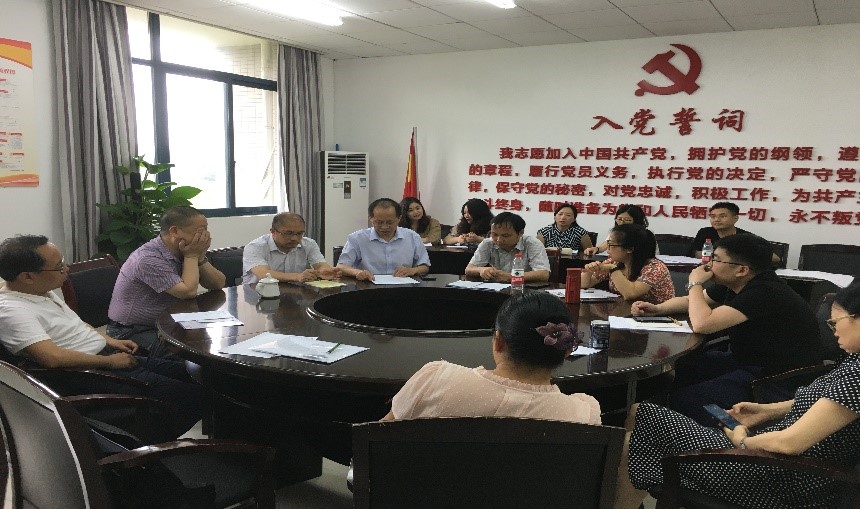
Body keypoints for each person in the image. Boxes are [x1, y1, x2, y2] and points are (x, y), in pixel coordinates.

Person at [616, 282, 860, 509]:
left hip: (776, 478)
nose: (833, 330)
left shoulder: (855, 378)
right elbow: (823, 402)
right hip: (772, 458)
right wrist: (766, 411)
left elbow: (788, 443)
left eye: (835, 322)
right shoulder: (853, 362)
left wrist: (742, 441)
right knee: (639, 413)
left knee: (632, 440)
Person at [0, 235, 204, 436]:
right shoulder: (13, 311)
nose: (66, 269)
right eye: (59, 267)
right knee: (194, 396)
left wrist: (109, 340)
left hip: (106, 355)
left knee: (200, 375)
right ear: (27, 277)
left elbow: (73, 324)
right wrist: (110, 362)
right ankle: (144, 447)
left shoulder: (37, 290)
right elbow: (52, 357)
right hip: (90, 372)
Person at [632, 233, 821, 425]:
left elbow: (702, 323)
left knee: (686, 399)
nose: (708, 264)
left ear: (742, 270)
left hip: (777, 377)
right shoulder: (737, 283)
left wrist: (695, 282)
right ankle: (662, 414)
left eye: (716, 259)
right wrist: (658, 308)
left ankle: (696, 428)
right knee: (684, 365)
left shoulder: (765, 292)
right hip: (748, 359)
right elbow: (692, 301)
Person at [382, 291, 601, 423]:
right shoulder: (582, 414)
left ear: (498, 341)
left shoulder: (436, 380)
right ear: (567, 349)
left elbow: (377, 438)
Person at [108, 206, 226, 352]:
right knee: (190, 353)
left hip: (170, 322)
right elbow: (187, 292)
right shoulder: (148, 258)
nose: (205, 236)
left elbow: (218, 284)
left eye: (206, 230)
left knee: (213, 342)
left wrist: (200, 258)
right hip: (131, 331)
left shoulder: (185, 250)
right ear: (174, 231)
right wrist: (192, 256)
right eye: (200, 231)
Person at [337, 198, 431, 281]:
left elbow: (425, 266)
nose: (384, 227)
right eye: (379, 222)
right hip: (368, 287)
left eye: (390, 222)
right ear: (371, 218)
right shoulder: (357, 238)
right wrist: (357, 272)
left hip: (403, 288)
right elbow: (341, 266)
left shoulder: (412, 237)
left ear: (399, 218)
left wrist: (412, 270)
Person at [581, 224, 674, 304]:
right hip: (624, 311)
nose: (607, 249)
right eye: (608, 243)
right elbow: (583, 284)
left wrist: (613, 269)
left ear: (629, 249)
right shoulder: (614, 261)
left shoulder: (655, 268)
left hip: (656, 316)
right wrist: (589, 270)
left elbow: (630, 294)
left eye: (611, 245)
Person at [242, 212, 341, 285]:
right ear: (273, 231)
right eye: (288, 233)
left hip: (296, 295)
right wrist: (298, 276)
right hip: (259, 295)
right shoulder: (255, 247)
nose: (295, 238)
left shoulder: (309, 244)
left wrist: (324, 272)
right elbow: (263, 274)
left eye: (299, 233)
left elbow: (320, 265)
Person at [465, 212, 551, 283]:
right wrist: (481, 270)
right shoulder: (488, 243)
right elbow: (469, 269)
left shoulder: (532, 244)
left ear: (520, 233)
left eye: (505, 235)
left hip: (526, 290)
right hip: (497, 289)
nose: (499, 240)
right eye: (494, 234)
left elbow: (543, 274)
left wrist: (511, 277)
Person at [688, 201, 780, 266]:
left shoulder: (746, 237)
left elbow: (775, 259)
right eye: (713, 216)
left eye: (722, 216)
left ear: (735, 218)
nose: (716, 220)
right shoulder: (704, 232)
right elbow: (698, 254)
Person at [584, 204, 658, 256]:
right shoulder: (616, 233)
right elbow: (606, 244)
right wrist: (596, 249)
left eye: (627, 220)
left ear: (637, 221)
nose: (622, 223)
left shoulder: (644, 235)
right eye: (619, 219)